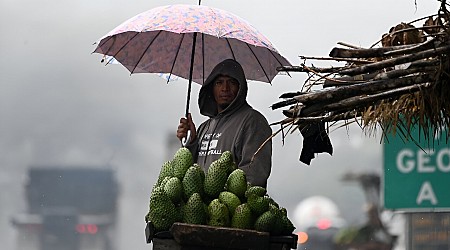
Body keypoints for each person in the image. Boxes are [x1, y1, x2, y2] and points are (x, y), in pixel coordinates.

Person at [176, 59, 272, 187]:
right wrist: (191, 141)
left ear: (241, 87)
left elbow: (254, 175)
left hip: (232, 206)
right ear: (211, 88)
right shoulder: (204, 127)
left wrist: (221, 199)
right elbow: (190, 174)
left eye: (232, 82)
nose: (225, 88)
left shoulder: (253, 121)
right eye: (219, 83)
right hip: (203, 206)